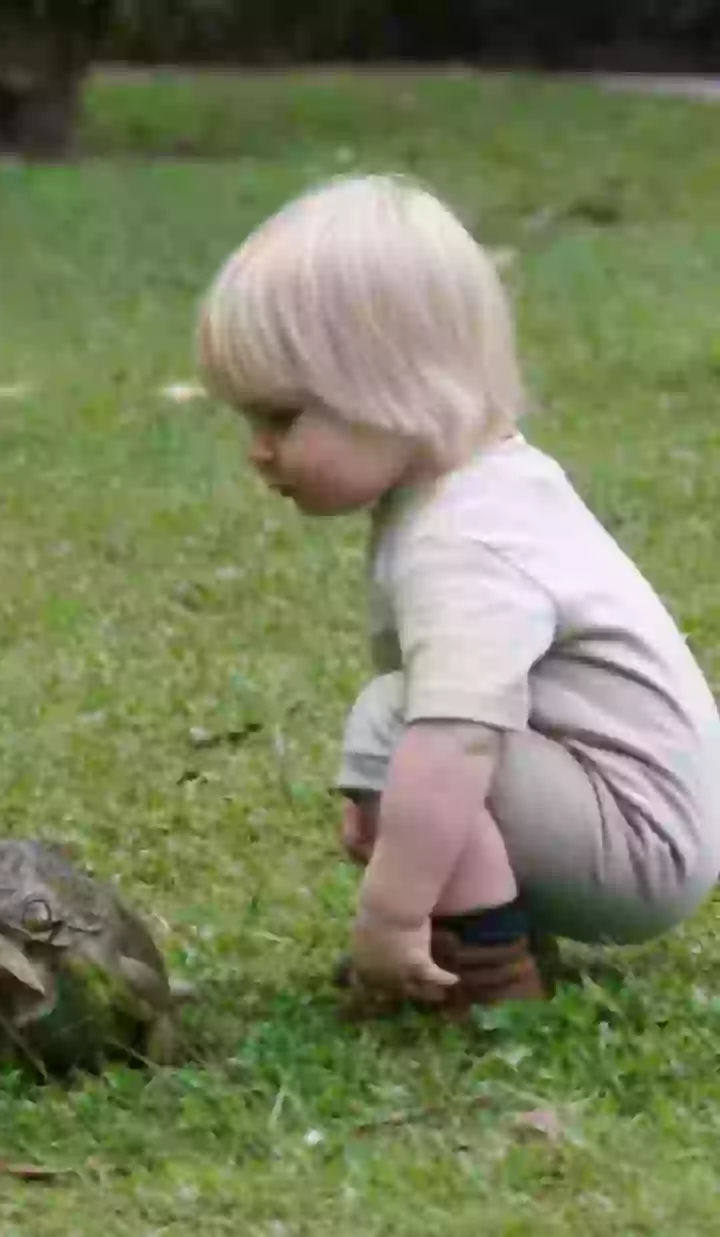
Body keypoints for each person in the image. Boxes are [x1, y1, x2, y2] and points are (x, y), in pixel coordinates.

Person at [194, 173, 720, 1013]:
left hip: (633, 839)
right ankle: (475, 919)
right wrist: (386, 804)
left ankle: (482, 964)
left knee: (404, 720)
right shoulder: (480, 485)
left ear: (395, 391)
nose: (257, 451)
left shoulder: (464, 537)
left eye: (282, 418)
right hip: (640, 814)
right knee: (404, 728)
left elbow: (455, 740)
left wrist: (392, 904)